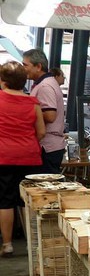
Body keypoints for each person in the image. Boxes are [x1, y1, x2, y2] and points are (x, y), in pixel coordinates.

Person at [0, 61, 46, 256]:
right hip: (30, 156)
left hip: (4, 157)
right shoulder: (33, 103)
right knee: (27, 201)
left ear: (3, 81)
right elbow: (42, 132)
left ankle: (8, 244)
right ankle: (32, 244)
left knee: (5, 201)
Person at [22, 48, 65, 174]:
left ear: (38, 66)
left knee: (44, 189)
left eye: (25, 65)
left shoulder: (45, 86)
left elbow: (51, 115)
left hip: (47, 147)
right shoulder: (46, 83)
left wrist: (28, 112)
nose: (23, 69)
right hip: (50, 146)